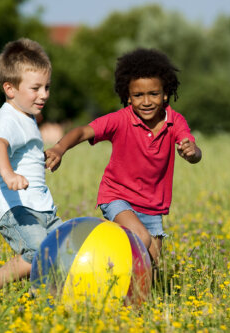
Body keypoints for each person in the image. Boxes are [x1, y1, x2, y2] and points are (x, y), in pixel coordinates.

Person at [45, 48, 202, 264]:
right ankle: (102, 250)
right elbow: (83, 131)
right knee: (141, 238)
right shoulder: (119, 120)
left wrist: (192, 152)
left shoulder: (175, 122)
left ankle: (136, 295)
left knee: (153, 265)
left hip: (153, 206)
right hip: (117, 197)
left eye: (153, 94)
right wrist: (59, 148)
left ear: (165, 94)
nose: (146, 101)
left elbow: (193, 150)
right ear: (128, 97)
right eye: (138, 95)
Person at [0, 38, 63, 303]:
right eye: (36, 88)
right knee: (39, 253)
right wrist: (9, 175)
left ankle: (48, 299)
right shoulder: (8, 119)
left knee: (64, 247)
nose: (44, 94)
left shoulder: (26, 117)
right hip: (18, 208)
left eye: (47, 87)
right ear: (10, 88)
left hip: (41, 207)